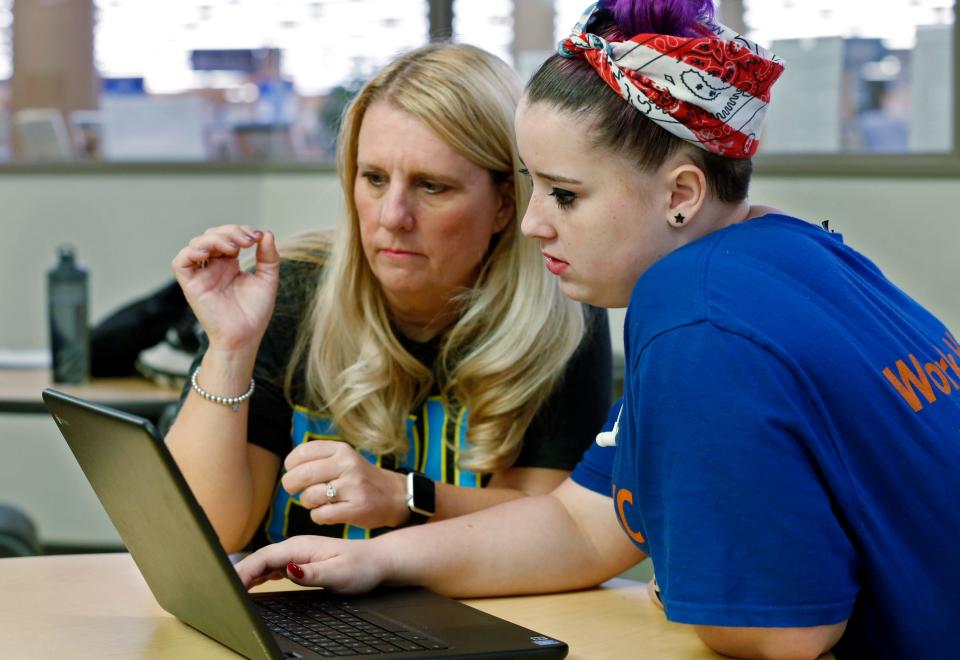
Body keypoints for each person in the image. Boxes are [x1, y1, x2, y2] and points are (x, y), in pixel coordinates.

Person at [233, 2, 960, 659]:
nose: (530, 222)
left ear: (681, 194)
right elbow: (584, 526)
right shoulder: (791, 250)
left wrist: (688, 584)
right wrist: (377, 561)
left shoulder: (694, 311)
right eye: (533, 183)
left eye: (566, 194)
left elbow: (781, 631)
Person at [166, 43, 612, 554]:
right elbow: (206, 535)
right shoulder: (290, 294)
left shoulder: (561, 312)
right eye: (374, 179)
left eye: (432, 187)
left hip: (472, 620)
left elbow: (558, 529)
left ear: (504, 205)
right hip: (297, 619)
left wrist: (405, 497)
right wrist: (230, 348)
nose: (392, 215)